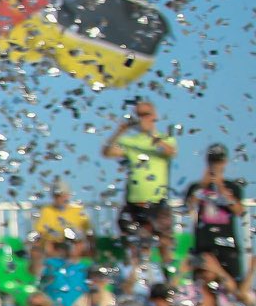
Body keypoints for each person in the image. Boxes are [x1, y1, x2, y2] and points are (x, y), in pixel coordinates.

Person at [104, 99, 178, 269]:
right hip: (134, 204)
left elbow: (170, 152)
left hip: (157, 202)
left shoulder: (165, 138)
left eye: (145, 114)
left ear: (154, 116)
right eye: (138, 115)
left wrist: (151, 135)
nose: (141, 118)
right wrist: (120, 131)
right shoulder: (131, 141)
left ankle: (169, 282)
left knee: (165, 243)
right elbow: (107, 152)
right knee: (135, 246)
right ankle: (137, 281)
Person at [185, 144, 245, 283]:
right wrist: (202, 185)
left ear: (225, 163)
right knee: (201, 288)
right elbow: (189, 206)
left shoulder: (233, 187)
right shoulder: (196, 187)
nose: (215, 166)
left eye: (218, 162)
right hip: (203, 247)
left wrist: (220, 186)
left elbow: (238, 210)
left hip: (227, 248)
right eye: (212, 161)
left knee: (232, 285)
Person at [27, 181, 91, 279]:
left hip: (73, 243)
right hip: (54, 244)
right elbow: (40, 233)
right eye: (57, 196)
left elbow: (88, 233)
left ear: (68, 196)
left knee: (79, 244)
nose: (60, 199)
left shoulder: (77, 210)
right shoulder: (47, 211)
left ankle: (73, 271)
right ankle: (49, 273)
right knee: (44, 245)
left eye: (63, 196)